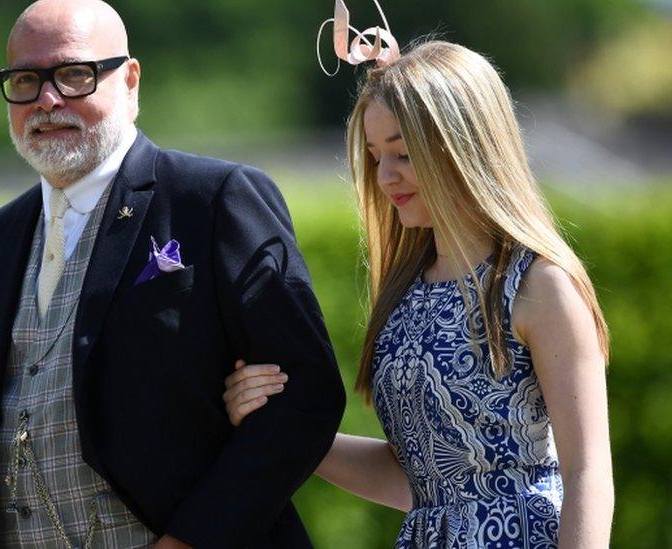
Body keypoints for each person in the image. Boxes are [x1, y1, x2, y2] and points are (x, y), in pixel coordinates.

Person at [0, 0, 345, 547]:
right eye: (26, 80)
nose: (47, 100)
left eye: (74, 74)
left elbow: (304, 397)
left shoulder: (214, 198)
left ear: (129, 80)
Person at [224, 4, 614, 547]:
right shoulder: (407, 291)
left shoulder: (539, 285)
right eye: (374, 154)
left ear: (464, 148)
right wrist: (280, 425)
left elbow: (588, 476)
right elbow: (418, 481)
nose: (384, 177)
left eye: (403, 154)